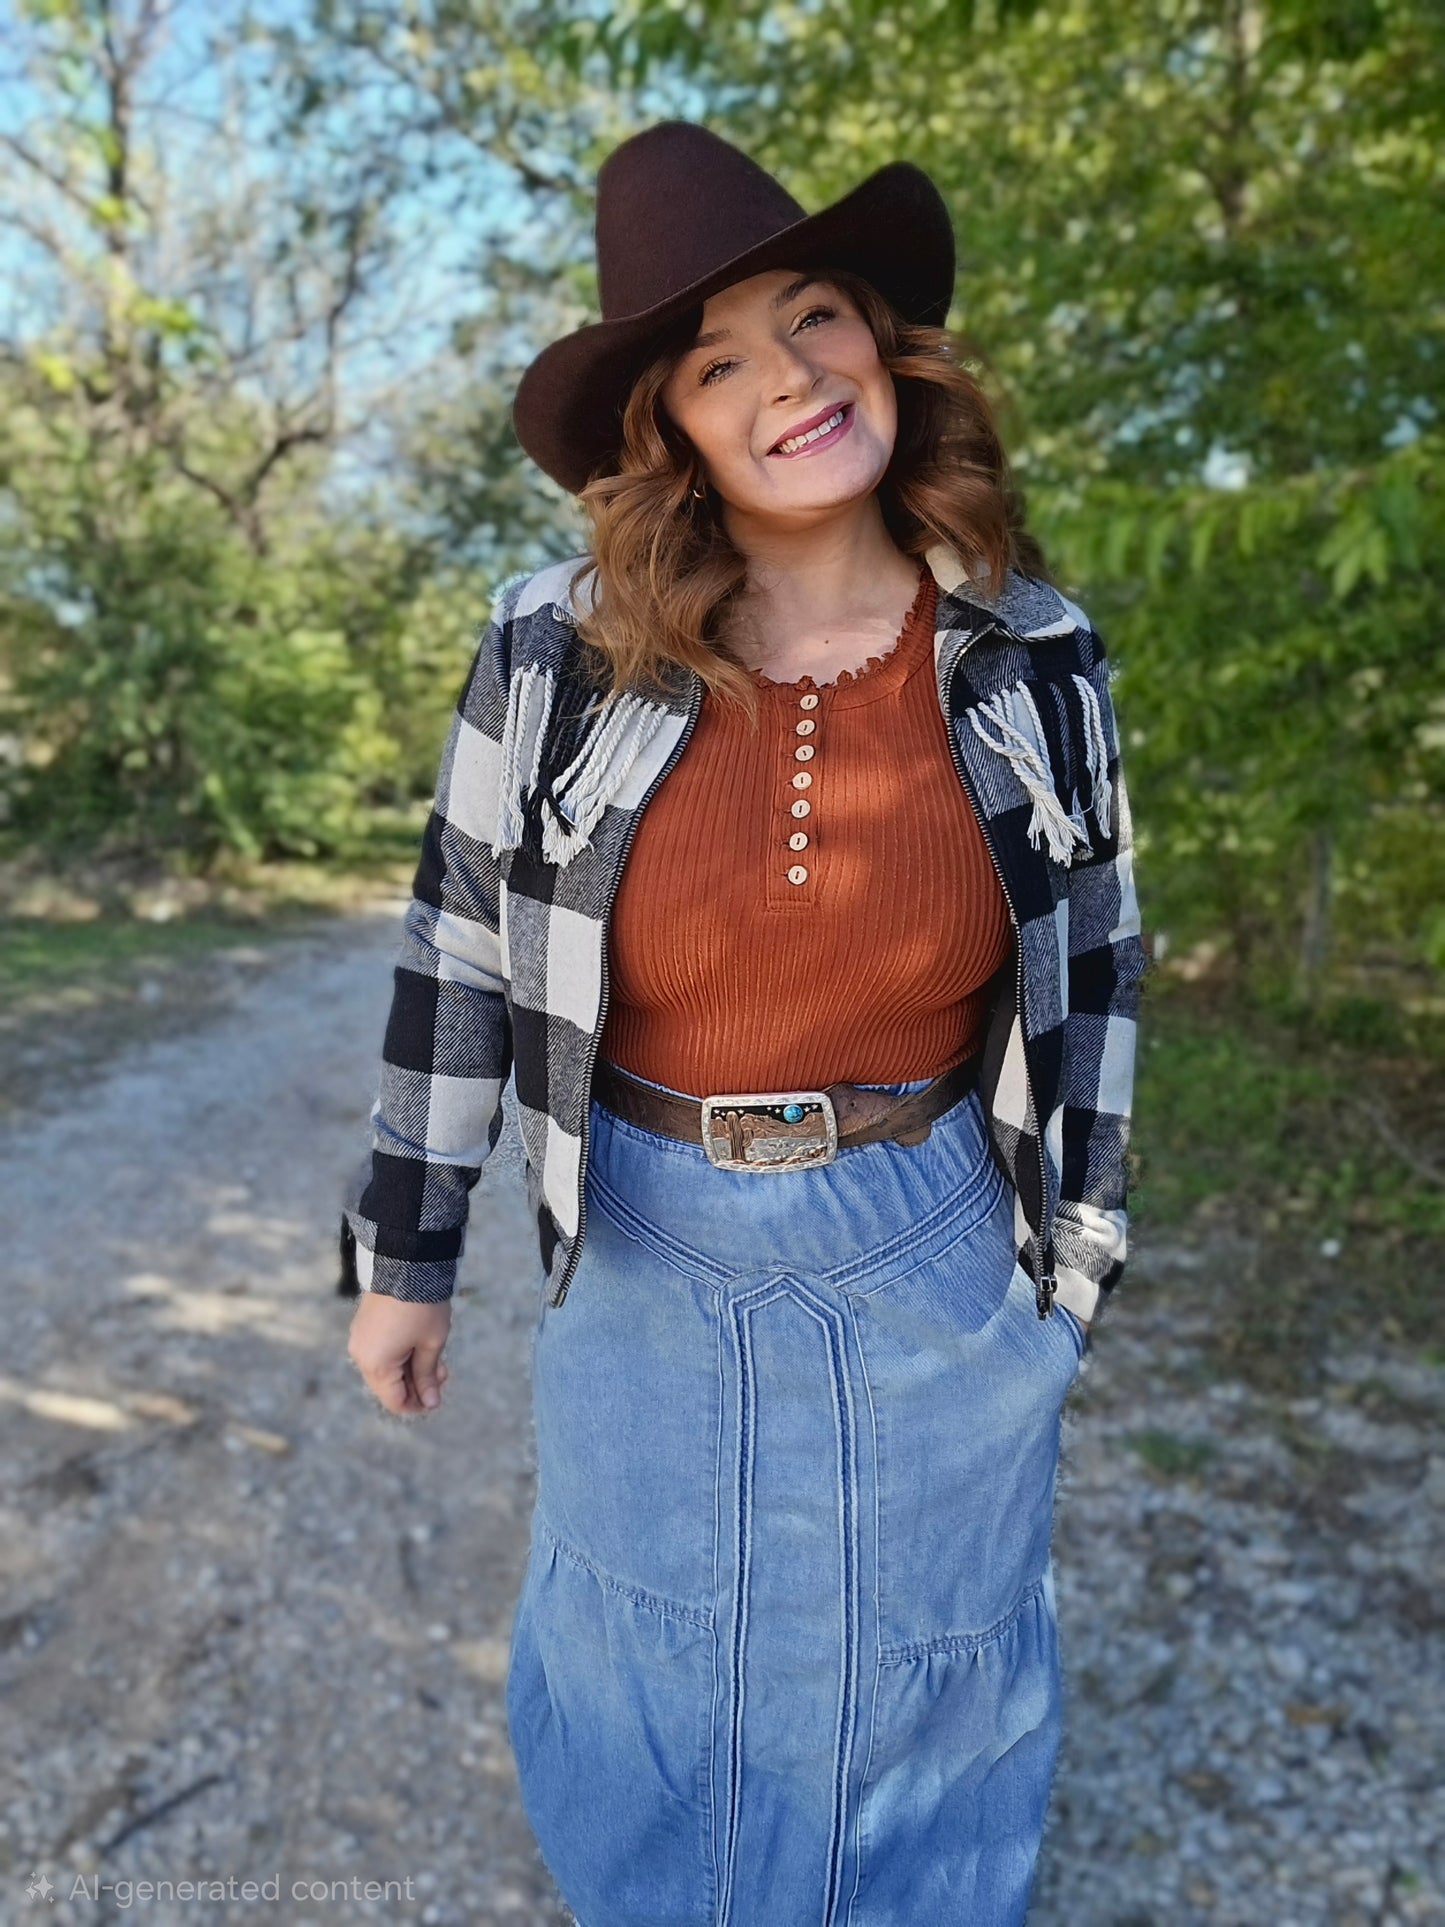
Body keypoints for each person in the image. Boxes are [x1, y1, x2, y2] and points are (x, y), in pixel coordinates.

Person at [342, 119, 1148, 1927]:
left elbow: (1097, 965)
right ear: (676, 429)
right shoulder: (558, 647)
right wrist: (405, 1256)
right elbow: (460, 950)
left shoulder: (1034, 650)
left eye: (813, 319)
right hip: (642, 1226)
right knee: (648, 1666)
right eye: (719, 364)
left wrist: (1067, 1276)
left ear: (881, 341)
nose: (786, 379)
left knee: (928, 1669)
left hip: (930, 1226)